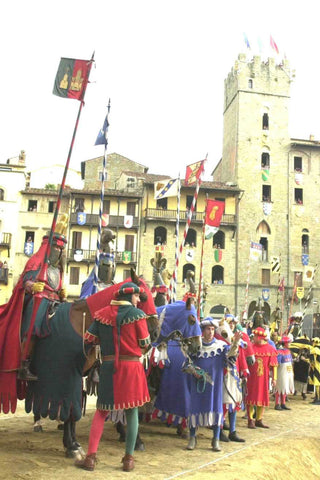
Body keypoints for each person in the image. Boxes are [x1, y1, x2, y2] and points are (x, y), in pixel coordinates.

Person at [75, 282, 152, 472]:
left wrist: (107, 340)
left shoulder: (101, 314)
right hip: (132, 367)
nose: (137, 300)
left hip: (109, 367)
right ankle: (128, 460)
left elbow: (89, 338)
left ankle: (91, 458)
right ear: (129, 297)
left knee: (101, 412)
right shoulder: (138, 315)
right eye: (136, 297)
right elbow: (145, 343)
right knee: (132, 412)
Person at [0, 214, 68, 390]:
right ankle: (24, 364)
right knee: (35, 326)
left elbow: (57, 288)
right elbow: (24, 282)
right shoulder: (36, 263)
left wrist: (62, 294)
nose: (58, 253)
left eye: (61, 250)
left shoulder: (57, 271)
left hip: (55, 303)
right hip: (38, 301)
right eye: (56, 249)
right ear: (48, 248)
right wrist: (33, 286)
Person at [186, 317, 241, 452]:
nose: (210, 332)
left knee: (216, 408)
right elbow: (187, 362)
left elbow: (230, 357)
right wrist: (194, 371)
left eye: (212, 329)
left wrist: (235, 342)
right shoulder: (195, 345)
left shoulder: (221, 346)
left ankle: (215, 439)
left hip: (215, 385)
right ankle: (192, 437)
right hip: (198, 383)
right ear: (202, 330)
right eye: (207, 329)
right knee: (195, 408)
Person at [245, 327, 278, 429]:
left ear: (260, 337)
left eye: (255, 336)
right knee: (250, 398)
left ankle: (259, 419)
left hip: (263, 379)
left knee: (262, 397)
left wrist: (274, 378)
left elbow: (274, 365)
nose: (253, 338)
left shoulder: (270, 349)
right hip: (251, 378)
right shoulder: (250, 347)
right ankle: (250, 419)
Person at [274, 335, 294, 410]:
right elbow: (277, 363)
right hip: (281, 371)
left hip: (288, 371)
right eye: (288, 343)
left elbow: (291, 362)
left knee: (285, 387)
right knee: (279, 387)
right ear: (285, 343)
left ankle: (283, 403)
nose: (289, 344)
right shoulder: (279, 352)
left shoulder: (288, 352)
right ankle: (277, 404)